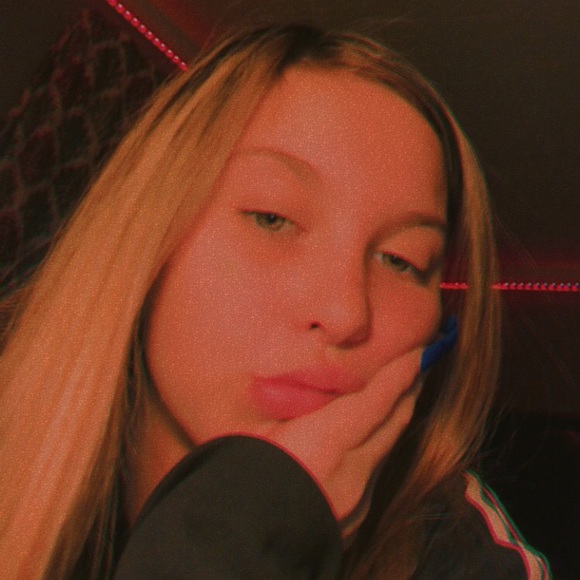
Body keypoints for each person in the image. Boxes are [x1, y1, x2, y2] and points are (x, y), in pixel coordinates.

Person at [0, 24, 550, 579]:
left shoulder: (465, 556)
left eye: (400, 260)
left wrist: (259, 522)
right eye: (272, 218)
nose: (345, 314)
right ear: (145, 240)